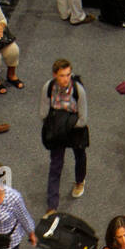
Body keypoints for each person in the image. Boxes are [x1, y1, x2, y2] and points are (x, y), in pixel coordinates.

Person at [40, 58, 88, 213]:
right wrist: (57, 126)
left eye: (68, 75)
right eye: (62, 75)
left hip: (75, 129)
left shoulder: (78, 90)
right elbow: (43, 114)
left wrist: (66, 124)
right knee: (55, 166)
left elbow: (83, 119)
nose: (66, 79)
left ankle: (79, 181)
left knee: (80, 156)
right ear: (55, 75)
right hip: (57, 131)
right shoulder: (48, 87)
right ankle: (52, 206)